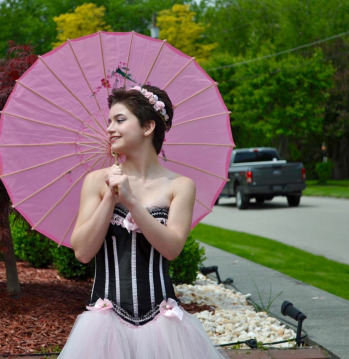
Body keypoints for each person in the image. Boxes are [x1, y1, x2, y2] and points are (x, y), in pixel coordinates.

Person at [58, 85, 229, 359]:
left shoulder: (180, 186)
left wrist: (132, 202)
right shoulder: (96, 181)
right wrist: (109, 200)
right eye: (109, 121)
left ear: (148, 126)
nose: (110, 128)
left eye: (120, 120)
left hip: (165, 328)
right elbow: (82, 252)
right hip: (103, 326)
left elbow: (172, 248)